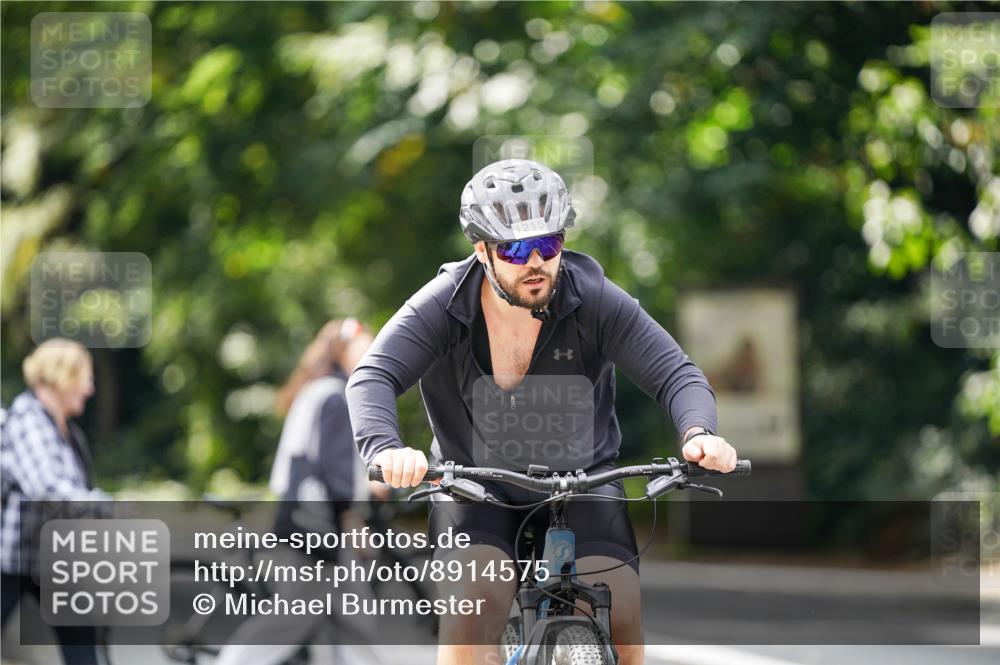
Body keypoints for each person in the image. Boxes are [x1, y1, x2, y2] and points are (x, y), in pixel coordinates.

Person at [345, 159, 739, 665]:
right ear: (482, 250)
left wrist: (699, 432)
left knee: (622, 611)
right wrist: (386, 448)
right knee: (478, 605)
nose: (535, 261)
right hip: (474, 485)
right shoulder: (443, 305)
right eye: (513, 248)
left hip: (585, 479)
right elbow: (373, 376)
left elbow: (675, 373)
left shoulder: (592, 297)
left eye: (548, 244)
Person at [214, 317, 383, 665]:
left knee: (351, 624)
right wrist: (350, 516)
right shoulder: (336, 396)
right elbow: (332, 470)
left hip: (301, 521)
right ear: (341, 351)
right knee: (289, 620)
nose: (371, 353)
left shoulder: (317, 390)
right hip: (316, 529)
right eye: (363, 347)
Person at [1, 338, 110, 665]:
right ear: (63, 377)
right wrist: (104, 504)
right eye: (86, 379)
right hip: (13, 558)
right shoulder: (29, 421)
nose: (89, 390)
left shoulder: (65, 430)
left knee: (82, 651)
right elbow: (47, 489)